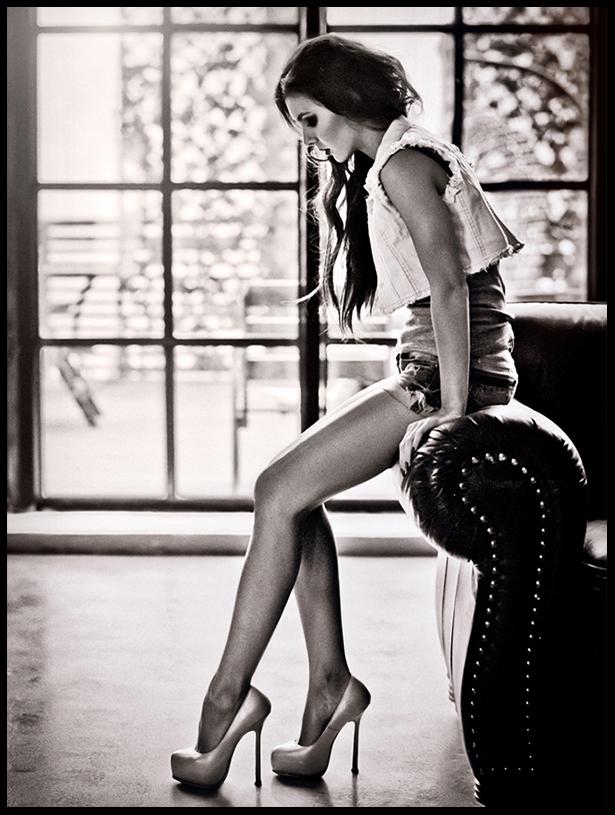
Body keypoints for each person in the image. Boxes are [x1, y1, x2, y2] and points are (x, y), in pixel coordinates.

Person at [171, 33, 524, 790]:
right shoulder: (397, 159)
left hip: (446, 378)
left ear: (345, 98)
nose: (307, 140)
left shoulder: (403, 162)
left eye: (309, 119)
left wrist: (451, 410)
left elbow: (451, 287)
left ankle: (227, 699)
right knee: (291, 496)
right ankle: (329, 685)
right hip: (430, 369)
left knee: (275, 490)